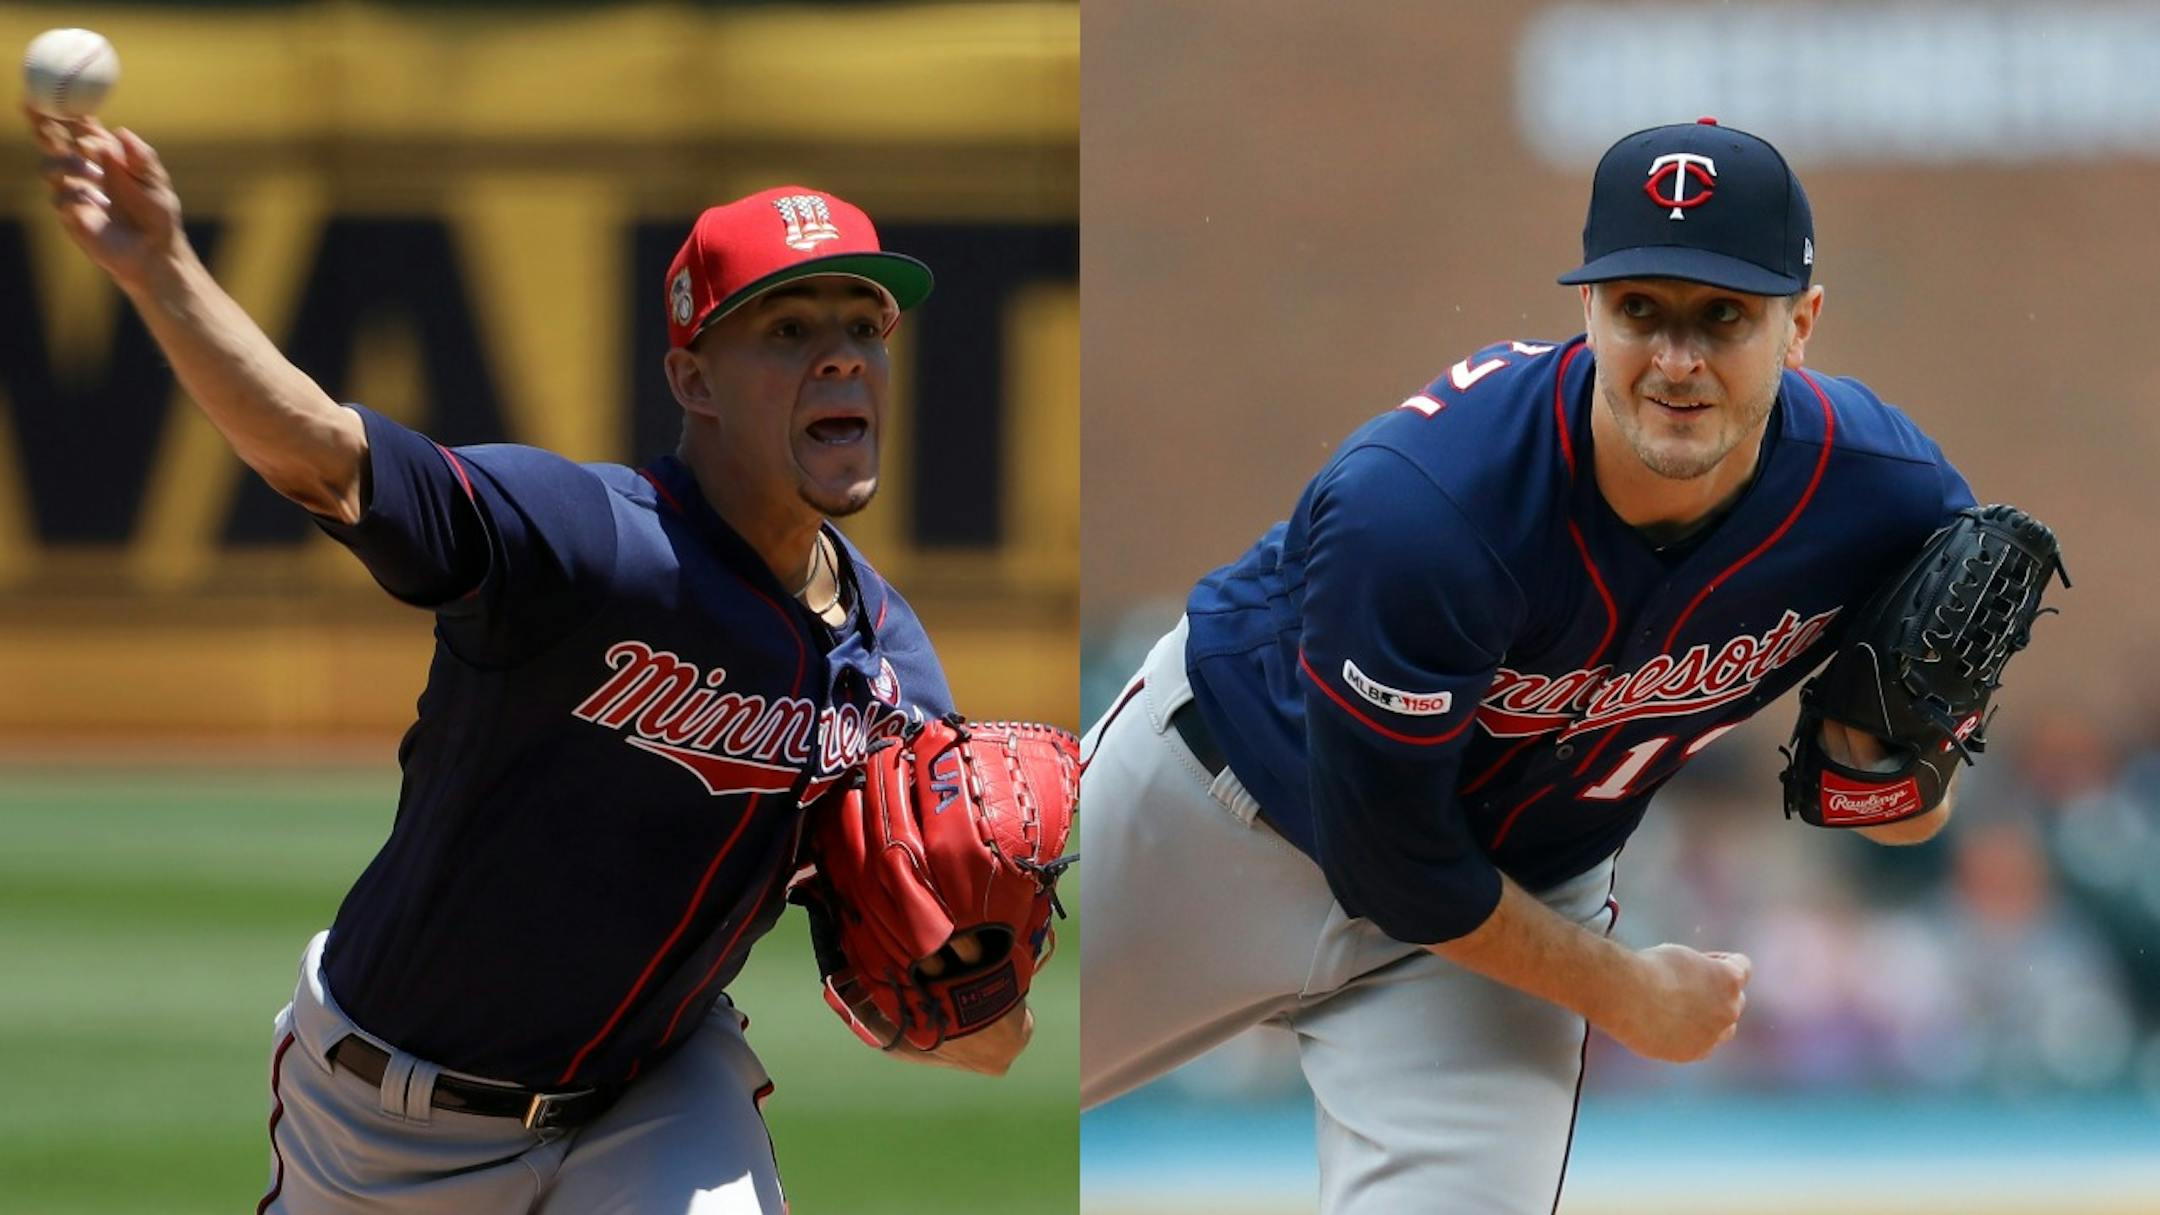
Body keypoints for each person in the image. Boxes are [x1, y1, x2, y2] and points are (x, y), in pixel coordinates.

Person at [28, 108, 1034, 1214]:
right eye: (788, 329)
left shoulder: (889, 670)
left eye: (865, 325)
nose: (843, 352)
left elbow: (977, 1036)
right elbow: (321, 455)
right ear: (694, 382)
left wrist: (976, 984)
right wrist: (165, 268)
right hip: (385, 1118)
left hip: (655, 1095)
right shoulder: (589, 541)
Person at [1079, 118, 1973, 1213]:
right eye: (1642, 309)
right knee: (964, 1073)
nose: (1677, 361)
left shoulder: (1890, 498)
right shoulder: (1429, 503)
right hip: (1211, 815)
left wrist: (1896, 770)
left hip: (1499, 919)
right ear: (1587, 310)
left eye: (1724, 316)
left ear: (1803, 326)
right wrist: (1631, 993)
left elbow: (1899, 819)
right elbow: (1392, 863)